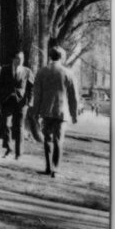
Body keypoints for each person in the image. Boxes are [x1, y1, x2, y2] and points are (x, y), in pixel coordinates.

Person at [32, 45, 78, 177]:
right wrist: (74, 114)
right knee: (59, 140)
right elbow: (73, 96)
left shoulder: (42, 72)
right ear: (62, 57)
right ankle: (55, 169)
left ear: (50, 56)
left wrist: (36, 111)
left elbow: (37, 94)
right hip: (61, 112)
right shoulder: (68, 73)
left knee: (47, 139)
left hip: (46, 111)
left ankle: (47, 167)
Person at [0, 51, 34, 160]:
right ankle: (8, 149)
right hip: (7, 101)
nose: (20, 60)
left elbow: (31, 88)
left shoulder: (27, 71)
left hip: (21, 103)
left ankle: (18, 153)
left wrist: (30, 101)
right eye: (17, 58)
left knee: (19, 127)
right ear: (13, 59)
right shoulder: (5, 69)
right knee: (6, 125)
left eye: (22, 58)